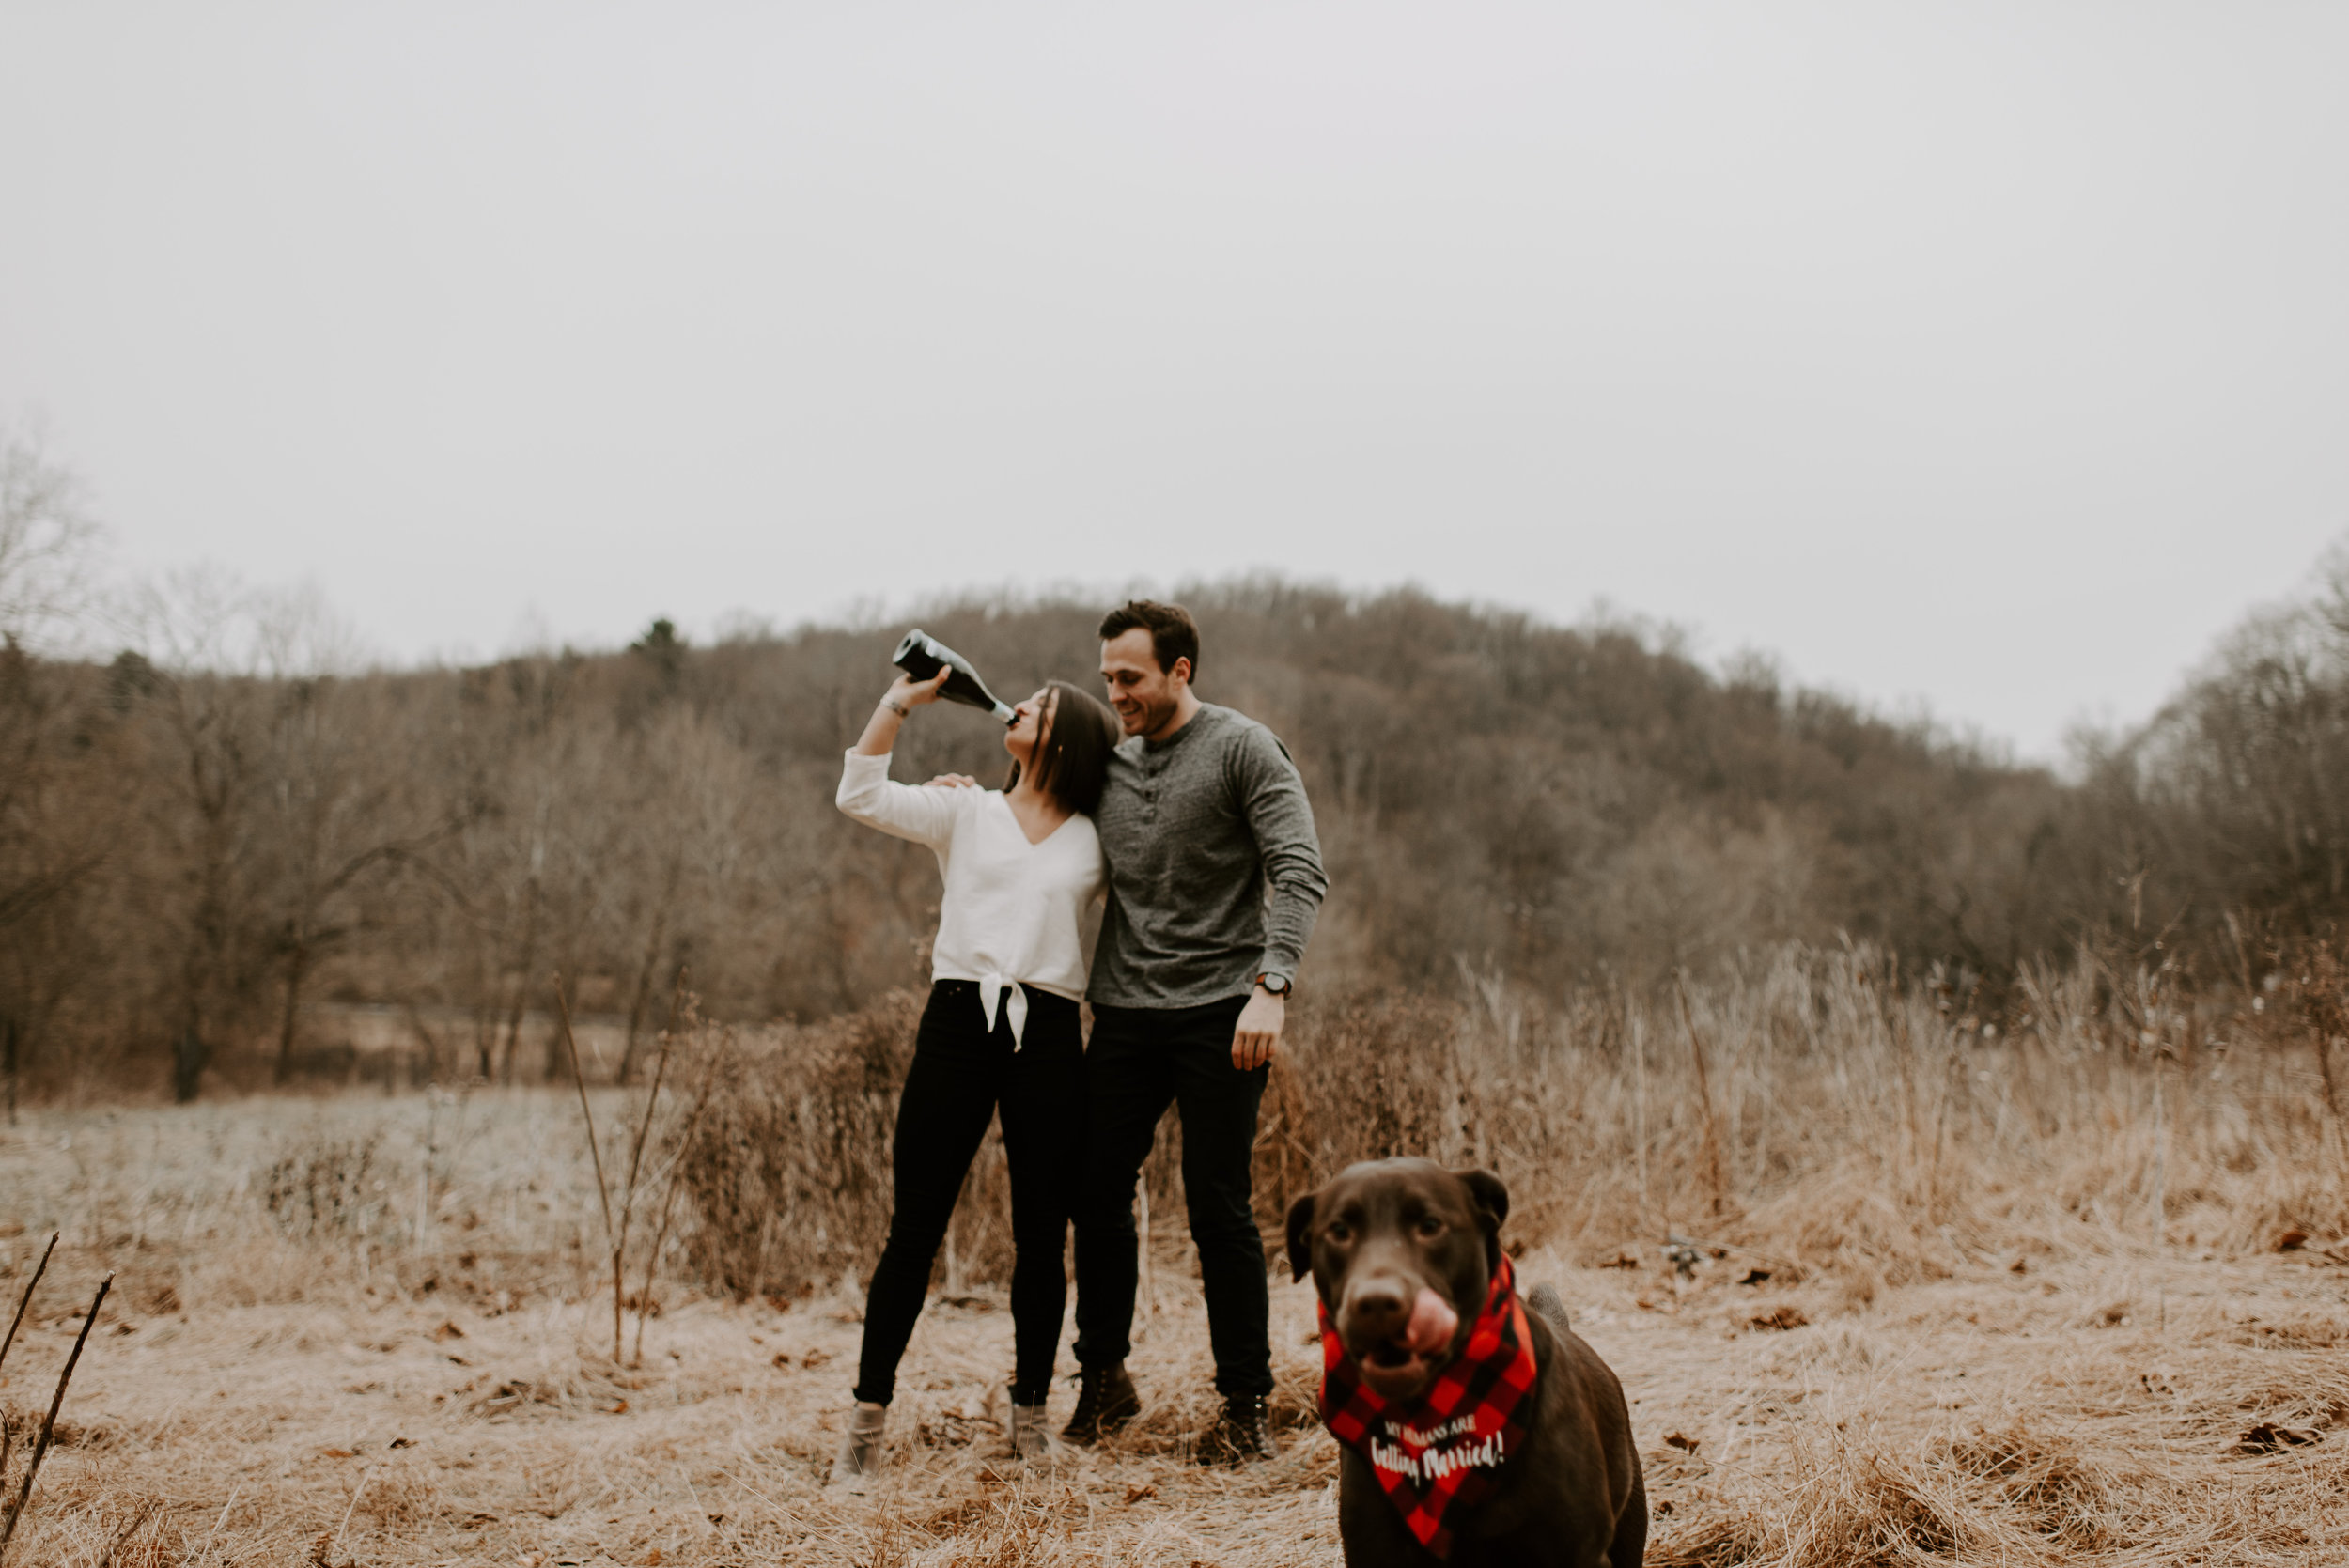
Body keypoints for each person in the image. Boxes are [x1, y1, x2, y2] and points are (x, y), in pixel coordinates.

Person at [829, 663, 1121, 1486]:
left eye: (1042, 705)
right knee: (914, 1229)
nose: (1019, 704)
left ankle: (1030, 1421)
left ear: (1067, 739)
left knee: (1040, 1238)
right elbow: (862, 793)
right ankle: (865, 1425)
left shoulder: (1099, 838)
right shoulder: (967, 808)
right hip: (958, 1022)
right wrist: (898, 702)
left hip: (1052, 1032)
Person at [1063, 599, 1329, 1465]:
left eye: (1130, 678)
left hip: (1225, 1011)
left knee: (1218, 1205)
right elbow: (1034, 823)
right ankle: (1104, 1380)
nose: (1117, 693)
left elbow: (1299, 868)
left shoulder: (1244, 748)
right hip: (1126, 1010)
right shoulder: (1107, 761)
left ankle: (1244, 1404)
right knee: (1095, 1189)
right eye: (1108, 678)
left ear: (1181, 670)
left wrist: (1273, 986)